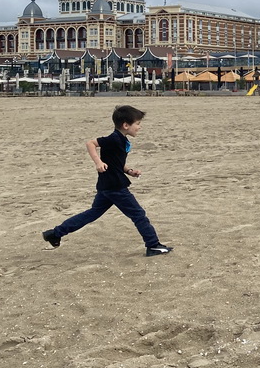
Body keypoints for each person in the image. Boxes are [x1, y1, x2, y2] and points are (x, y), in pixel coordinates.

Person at [42, 105, 173, 257]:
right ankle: (153, 245)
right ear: (126, 125)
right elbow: (90, 143)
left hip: (107, 185)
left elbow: (116, 162)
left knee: (92, 213)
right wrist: (98, 162)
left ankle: (55, 233)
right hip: (115, 186)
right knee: (138, 214)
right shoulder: (114, 138)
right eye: (137, 123)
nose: (139, 127)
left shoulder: (121, 140)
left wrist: (129, 171)